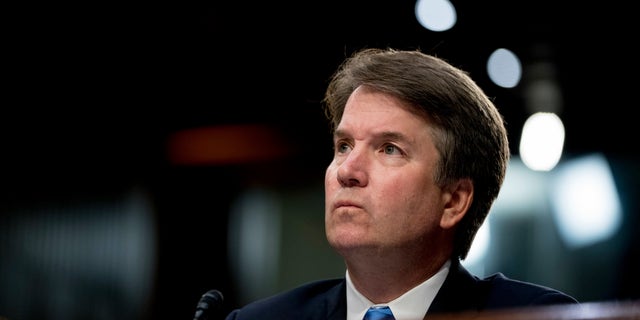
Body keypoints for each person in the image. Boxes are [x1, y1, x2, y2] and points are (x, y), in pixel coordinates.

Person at [224, 47, 578, 320]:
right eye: (343, 145)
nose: (348, 169)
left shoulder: (535, 315)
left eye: (389, 149)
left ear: (454, 200)